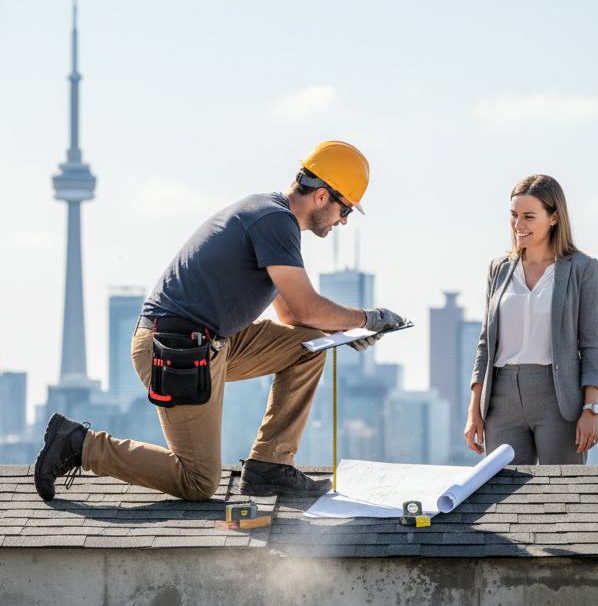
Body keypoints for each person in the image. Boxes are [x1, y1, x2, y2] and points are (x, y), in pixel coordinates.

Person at [32, 141, 406, 502]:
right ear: (322, 196)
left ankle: (270, 465)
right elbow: (307, 308)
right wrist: (367, 318)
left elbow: (294, 316)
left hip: (208, 340)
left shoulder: (272, 216)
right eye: (347, 209)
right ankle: (79, 444)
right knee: (197, 481)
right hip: (174, 348)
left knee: (309, 347)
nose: (343, 221)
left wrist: (343, 330)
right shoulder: (275, 220)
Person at [463, 175, 598, 465]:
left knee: (563, 497)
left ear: (554, 217)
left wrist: (591, 408)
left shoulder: (582, 269)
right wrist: (473, 409)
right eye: (514, 216)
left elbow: (592, 344)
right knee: (505, 498)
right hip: (500, 400)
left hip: (557, 398)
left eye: (528, 216)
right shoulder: (498, 269)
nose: (518, 225)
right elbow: (485, 346)